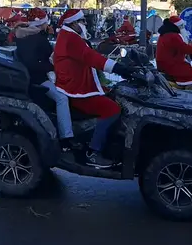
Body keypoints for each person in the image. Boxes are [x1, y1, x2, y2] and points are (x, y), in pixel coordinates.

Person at [53, 9, 134, 168]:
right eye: (82, 21)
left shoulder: (68, 36)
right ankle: (93, 151)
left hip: (76, 85)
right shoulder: (71, 38)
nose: (85, 23)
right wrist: (118, 68)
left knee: (113, 98)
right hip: (77, 90)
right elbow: (91, 57)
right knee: (112, 110)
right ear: (74, 23)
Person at [14, 8, 75, 152]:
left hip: (34, 76)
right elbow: (34, 63)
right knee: (62, 98)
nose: (48, 25)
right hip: (38, 79)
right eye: (46, 22)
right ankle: (66, 137)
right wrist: (52, 66)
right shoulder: (35, 38)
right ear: (41, 24)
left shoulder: (26, 35)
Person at [155, 15, 192, 87]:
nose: (183, 28)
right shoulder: (173, 35)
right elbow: (183, 47)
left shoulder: (166, 34)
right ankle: (191, 92)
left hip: (165, 64)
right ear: (177, 26)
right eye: (181, 26)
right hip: (171, 65)